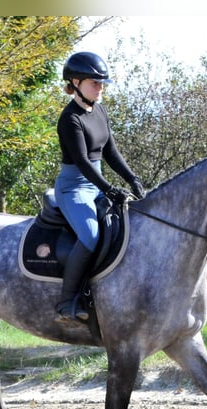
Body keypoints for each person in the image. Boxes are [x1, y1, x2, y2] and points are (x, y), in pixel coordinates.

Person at [53, 51, 144, 323]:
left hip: (96, 183)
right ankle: (67, 302)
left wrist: (132, 179)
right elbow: (82, 161)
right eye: (95, 83)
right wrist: (108, 189)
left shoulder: (100, 110)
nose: (100, 87)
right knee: (91, 235)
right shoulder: (70, 119)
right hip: (74, 188)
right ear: (76, 82)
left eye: (102, 83)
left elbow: (111, 153)